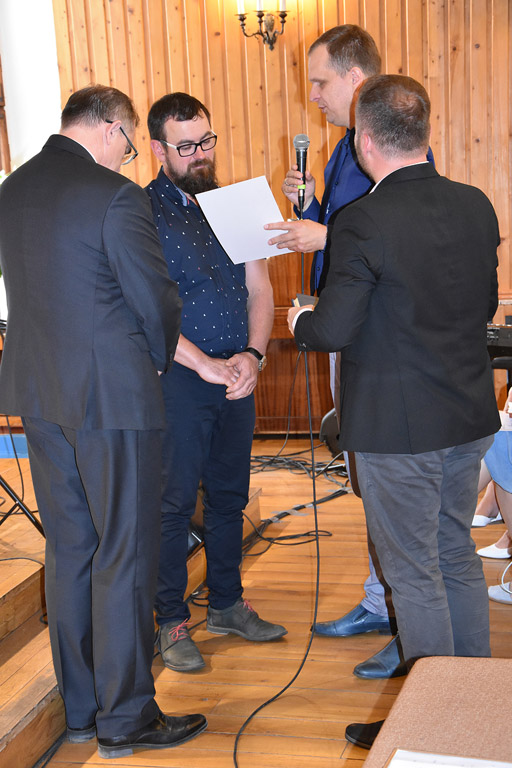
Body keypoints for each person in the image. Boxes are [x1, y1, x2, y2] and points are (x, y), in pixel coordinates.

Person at [288, 74, 500, 749]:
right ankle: (474, 705)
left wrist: (298, 321)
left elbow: (334, 329)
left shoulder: (363, 220)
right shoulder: (475, 205)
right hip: (467, 416)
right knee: (454, 554)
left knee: (412, 572)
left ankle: (432, 724)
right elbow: (482, 306)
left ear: (365, 142)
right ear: (424, 133)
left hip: (398, 430)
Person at [0, 85, 207, 760]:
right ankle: (127, 718)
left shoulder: (13, 189)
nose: (126, 156)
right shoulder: (115, 196)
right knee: (124, 550)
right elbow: (155, 298)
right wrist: (156, 361)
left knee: (70, 550)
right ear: (114, 128)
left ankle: (84, 711)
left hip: (40, 394)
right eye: (129, 143)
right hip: (113, 398)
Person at [264, 24, 428, 680]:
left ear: (355, 80)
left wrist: (322, 234)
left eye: (320, 81)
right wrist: (310, 206)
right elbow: (346, 228)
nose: (312, 94)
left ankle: (405, 616)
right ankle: (379, 598)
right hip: (344, 320)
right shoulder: (342, 149)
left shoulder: (384, 146)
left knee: (386, 477)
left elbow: (393, 240)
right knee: (366, 475)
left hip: (375, 334)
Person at [146, 92, 286, 674]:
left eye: (206, 141)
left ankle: (227, 604)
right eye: (186, 147)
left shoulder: (237, 204)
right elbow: (144, 308)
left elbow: (260, 288)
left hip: (236, 374)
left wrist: (253, 354)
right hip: (180, 377)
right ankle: (170, 621)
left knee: (229, 497)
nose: (201, 154)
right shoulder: (139, 212)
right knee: (174, 503)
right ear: (158, 149)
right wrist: (203, 362)